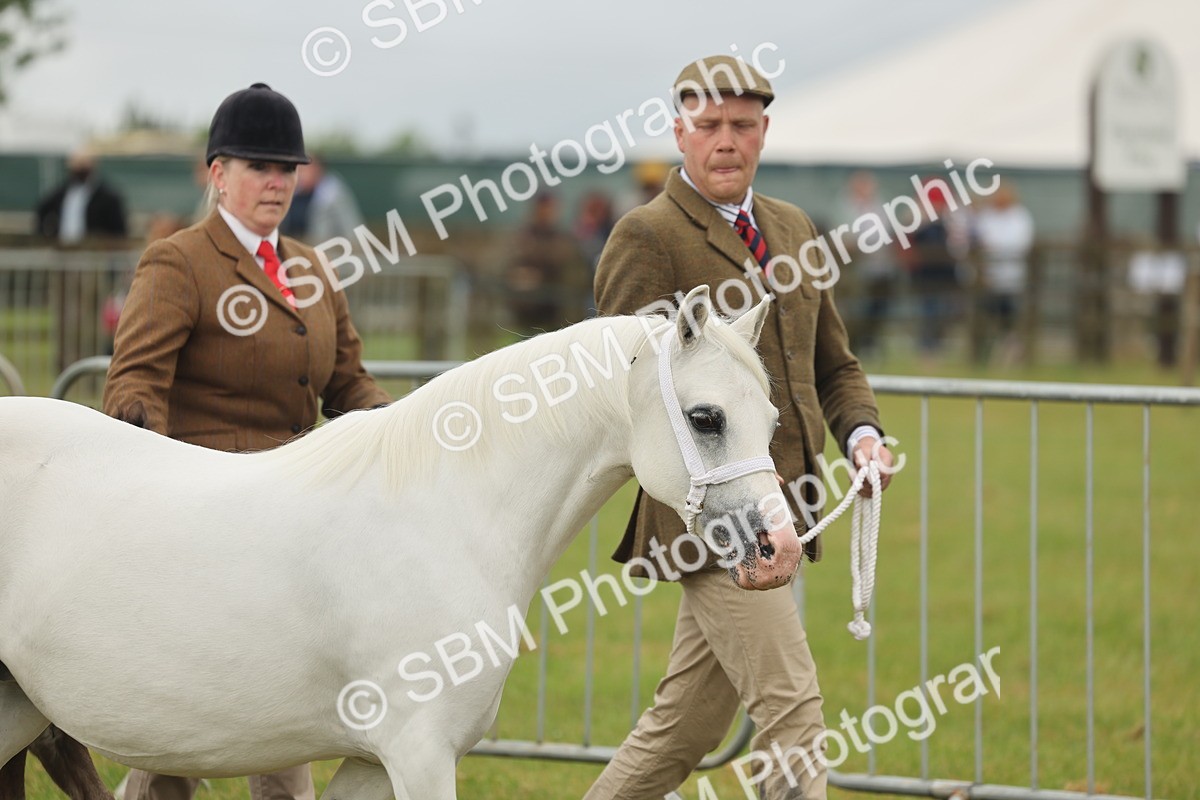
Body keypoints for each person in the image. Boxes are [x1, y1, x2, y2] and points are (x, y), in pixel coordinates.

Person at [585, 56, 894, 800]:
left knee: (682, 732)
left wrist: (861, 435)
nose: (727, 140)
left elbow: (834, 365)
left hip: (785, 510)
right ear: (679, 130)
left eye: (743, 125)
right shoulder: (646, 235)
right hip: (710, 519)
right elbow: (626, 387)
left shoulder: (792, 227)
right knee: (794, 716)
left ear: (764, 132)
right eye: (710, 124)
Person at [101, 82, 391, 800]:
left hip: (298, 532)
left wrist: (410, 432)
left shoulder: (313, 270)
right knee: (184, 727)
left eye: (286, 168)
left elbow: (349, 385)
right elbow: (134, 387)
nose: (275, 181)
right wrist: (159, 493)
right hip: (210, 531)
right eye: (258, 165)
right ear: (216, 173)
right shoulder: (178, 264)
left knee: (283, 718)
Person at [503, 191, 589, 332]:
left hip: (557, 313)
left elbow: (576, 274)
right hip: (526, 312)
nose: (547, 213)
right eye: (543, 208)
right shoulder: (521, 239)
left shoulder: (565, 241)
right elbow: (506, 269)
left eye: (550, 208)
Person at [969, 180, 1034, 364]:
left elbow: (1020, 243)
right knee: (987, 316)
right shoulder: (986, 216)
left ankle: (1009, 350)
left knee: (1010, 316)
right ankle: (989, 354)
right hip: (988, 279)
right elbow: (980, 240)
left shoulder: (1020, 217)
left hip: (1012, 278)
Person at [839, 170, 898, 360]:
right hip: (855, 271)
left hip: (880, 270)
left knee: (878, 311)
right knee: (857, 311)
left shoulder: (879, 208)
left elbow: (888, 236)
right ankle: (856, 346)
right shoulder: (845, 208)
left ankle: (872, 346)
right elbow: (842, 238)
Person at [34, 148, 128, 244]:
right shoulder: (62, 192)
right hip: (62, 251)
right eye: (77, 164)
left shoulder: (108, 197)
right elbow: (42, 209)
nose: (80, 168)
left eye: (83, 163)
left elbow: (119, 230)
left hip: (95, 252)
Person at [281, 154, 364, 244]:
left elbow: (351, 228)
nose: (299, 174)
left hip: (327, 252)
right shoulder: (292, 193)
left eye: (304, 169)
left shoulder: (334, 195)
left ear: (318, 169)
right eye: (298, 169)